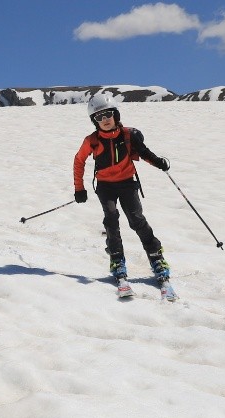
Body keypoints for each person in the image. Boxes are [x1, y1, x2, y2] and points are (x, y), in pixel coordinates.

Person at [73, 98, 171, 282]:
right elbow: (79, 160)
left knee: (136, 220)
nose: (105, 119)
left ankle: (156, 257)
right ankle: (117, 259)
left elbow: (144, 152)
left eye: (108, 114)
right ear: (95, 121)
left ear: (115, 114)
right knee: (111, 219)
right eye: (99, 116)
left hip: (127, 183)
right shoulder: (92, 141)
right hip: (105, 186)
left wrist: (159, 163)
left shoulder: (128, 135)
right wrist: (79, 188)